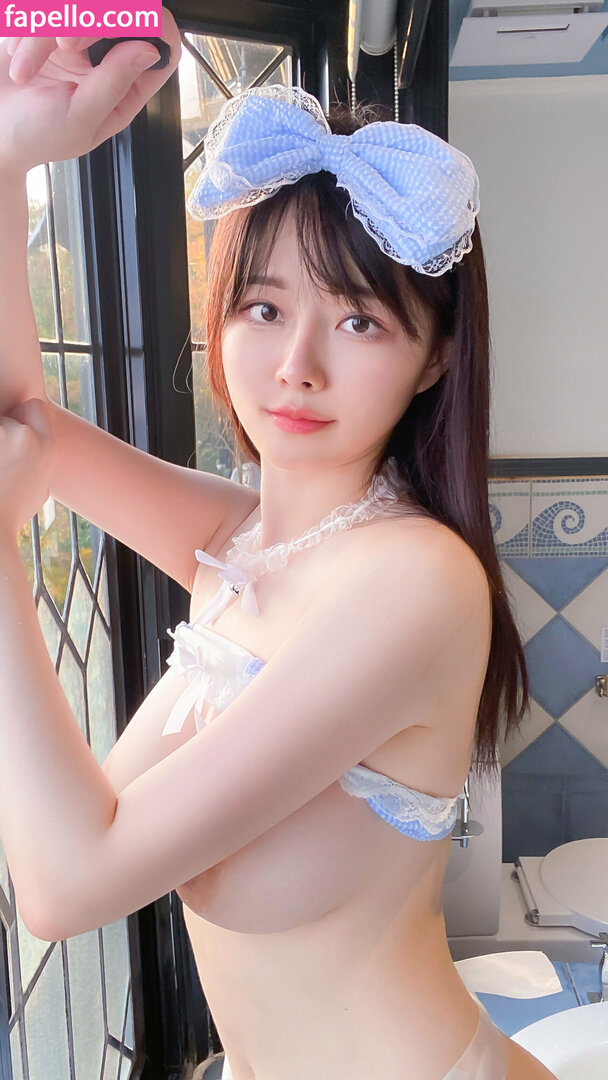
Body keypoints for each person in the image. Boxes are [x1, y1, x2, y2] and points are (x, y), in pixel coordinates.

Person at [0, 19, 559, 1080]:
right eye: (262, 306)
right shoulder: (241, 544)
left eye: (359, 322)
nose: (295, 364)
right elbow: (23, 420)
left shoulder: (416, 583)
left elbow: (65, 888)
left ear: (435, 355)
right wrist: (10, 158)